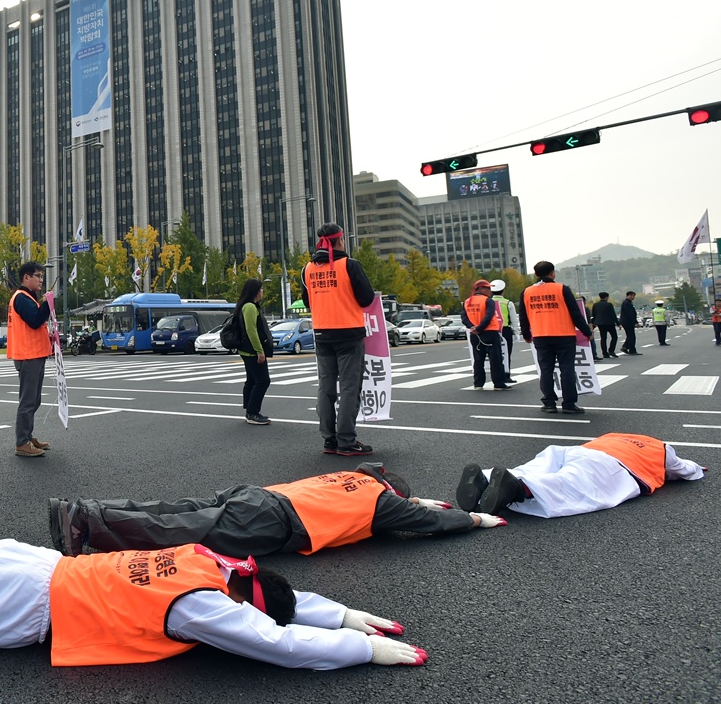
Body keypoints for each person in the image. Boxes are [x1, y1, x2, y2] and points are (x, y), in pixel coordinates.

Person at [0, 538, 428, 669]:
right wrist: (365, 646)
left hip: (34, 562)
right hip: (32, 602)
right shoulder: (203, 604)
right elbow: (279, 640)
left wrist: (342, 612)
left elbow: (282, 600)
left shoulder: (211, 561)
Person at [46, 462, 504, 559]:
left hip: (256, 494)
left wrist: (418, 497)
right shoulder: (381, 504)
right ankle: (86, 523)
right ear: (393, 494)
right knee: (178, 531)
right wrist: (478, 518)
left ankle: (84, 508)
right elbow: (428, 521)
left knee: (173, 508)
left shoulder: (355, 479)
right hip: (271, 522)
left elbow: (417, 506)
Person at [458, 432, 706, 518]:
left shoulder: (613, 435)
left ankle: (487, 478)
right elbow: (682, 469)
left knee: (535, 466)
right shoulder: (658, 446)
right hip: (612, 465)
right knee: (570, 484)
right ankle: (517, 489)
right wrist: (698, 468)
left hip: (576, 450)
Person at [302, 223, 376, 456]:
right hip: (349, 333)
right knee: (349, 387)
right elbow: (366, 298)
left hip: (322, 334)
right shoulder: (350, 266)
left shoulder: (308, 269)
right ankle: (347, 439)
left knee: (326, 388)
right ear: (340, 241)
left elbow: (307, 302)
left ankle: (329, 439)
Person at [519, 261, 593, 415]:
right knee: (567, 369)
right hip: (564, 335)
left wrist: (526, 334)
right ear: (552, 273)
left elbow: (523, 317)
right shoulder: (562, 289)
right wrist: (587, 331)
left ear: (535, 274)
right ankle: (569, 404)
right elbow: (575, 313)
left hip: (540, 335)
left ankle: (549, 403)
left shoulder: (527, 292)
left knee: (546, 370)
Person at [6, 261, 53, 458]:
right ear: (26, 278)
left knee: (34, 400)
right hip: (28, 355)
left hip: (34, 354)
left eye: (42, 276)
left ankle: (28, 436)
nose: (41, 280)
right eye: (37, 276)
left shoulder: (27, 298)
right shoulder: (22, 298)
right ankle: (22, 442)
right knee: (28, 401)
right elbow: (34, 321)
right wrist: (49, 304)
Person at [233, 278, 274, 425]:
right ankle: (253, 412)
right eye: (261, 289)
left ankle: (250, 410)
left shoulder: (246, 305)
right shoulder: (250, 307)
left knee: (252, 380)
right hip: (251, 351)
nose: (262, 292)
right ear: (255, 291)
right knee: (263, 381)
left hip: (246, 350)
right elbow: (251, 330)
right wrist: (259, 350)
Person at [462, 280, 509, 391]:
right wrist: (479, 328)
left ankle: (478, 383)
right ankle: (499, 383)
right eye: (487, 288)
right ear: (479, 289)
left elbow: (464, 318)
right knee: (495, 359)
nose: (489, 290)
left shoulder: (467, 301)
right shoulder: (488, 301)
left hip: (475, 334)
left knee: (478, 359)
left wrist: (473, 327)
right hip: (489, 332)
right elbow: (488, 317)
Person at [489, 279, 520, 383]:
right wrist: (516, 333)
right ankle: (506, 375)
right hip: (505, 330)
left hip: (491, 330)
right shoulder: (508, 303)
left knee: (494, 355)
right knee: (506, 353)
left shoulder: (488, 302)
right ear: (503, 291)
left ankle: (496, 377)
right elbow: (514, 319)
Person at [590, 292, 619, 358]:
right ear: (606, 297)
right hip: (609, 323)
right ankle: (611, 350)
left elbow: (593, 315)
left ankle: (605, 353)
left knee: (603, 338)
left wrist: (593, 324)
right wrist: (618, 323)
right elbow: (613, 315)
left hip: (600, 324)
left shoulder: (595, 305)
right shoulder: (609, 305)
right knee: (614, 337)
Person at [620, 291, 640, 355]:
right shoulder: (626, 303)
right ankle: (632, 350)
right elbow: (630, 314)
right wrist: (635, 322)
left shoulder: (628, 303)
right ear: (627, 296)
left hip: (627, 321)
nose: (632, 297)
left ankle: (625, 347)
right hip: (627, 322)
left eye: (633, 296)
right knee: (631, 336)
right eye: (631, 296)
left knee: (630, 336)